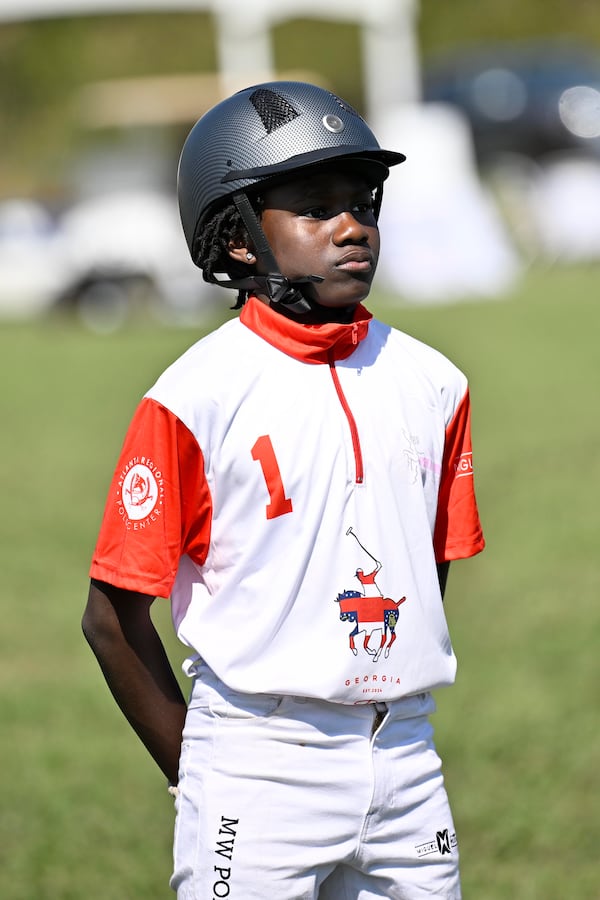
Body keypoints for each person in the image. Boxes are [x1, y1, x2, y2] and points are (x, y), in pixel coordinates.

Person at [82, 81, 485, 899]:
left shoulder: (435, 382)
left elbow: (423, 572)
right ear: (235, 239)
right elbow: (112, 620)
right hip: (256, 768)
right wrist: (202, 773)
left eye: (361, 204)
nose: (351, 228)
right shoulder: (194, 396)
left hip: (406, 758)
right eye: (313, 208)